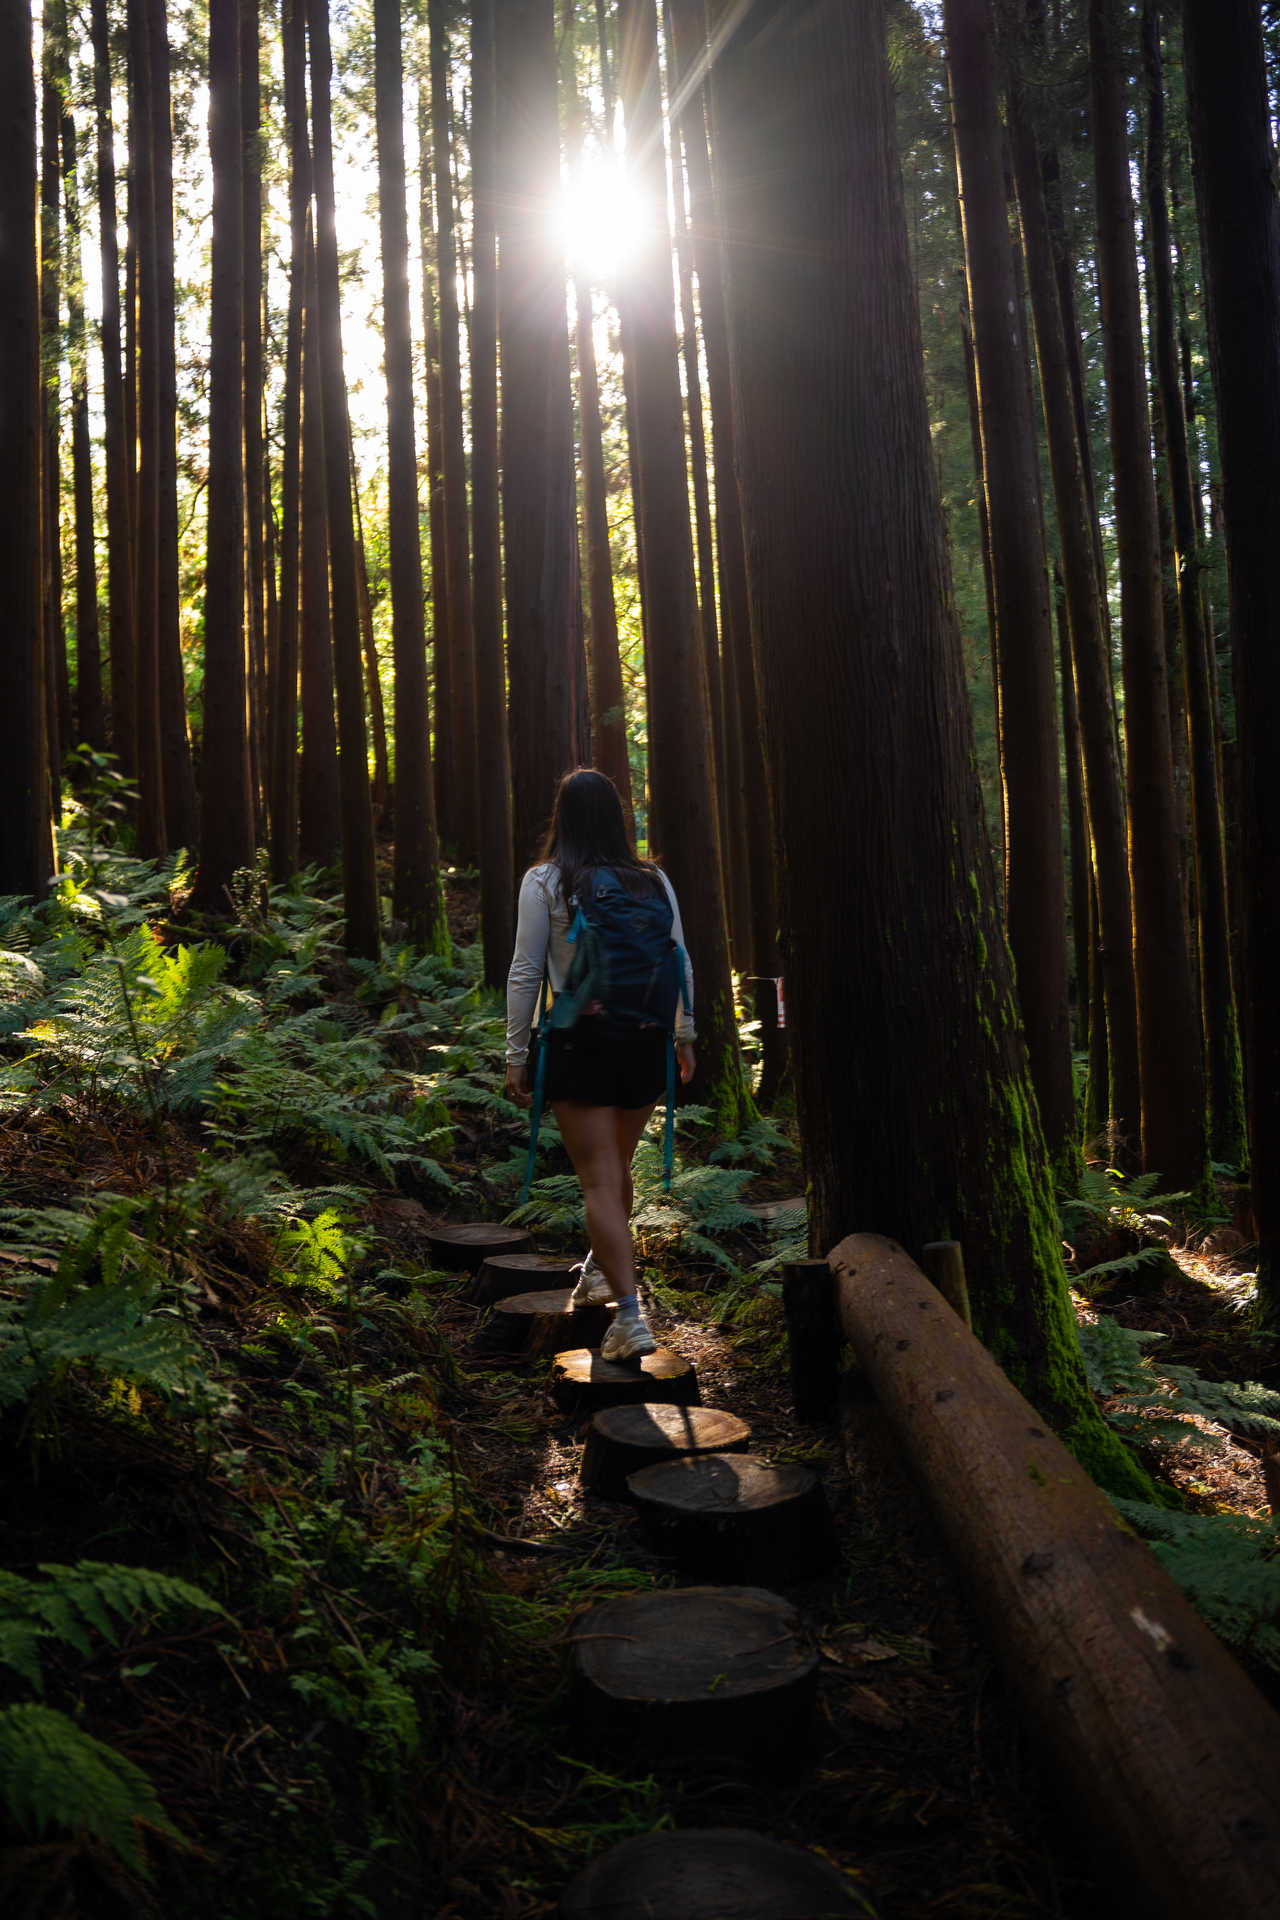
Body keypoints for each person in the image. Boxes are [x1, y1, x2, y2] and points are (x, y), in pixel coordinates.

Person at [504, 769, 696, 1360]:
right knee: (616, 1170)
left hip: (580, 1045)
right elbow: (680, 959)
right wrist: (685, 1036)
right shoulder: (653, 879)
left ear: (562, 817)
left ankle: (632, 1318)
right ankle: (596, 1272)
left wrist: (515, 1053)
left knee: (597, 1180)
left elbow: (526, 972)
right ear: (618, 816)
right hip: (646, 1041)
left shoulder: (545, 881)